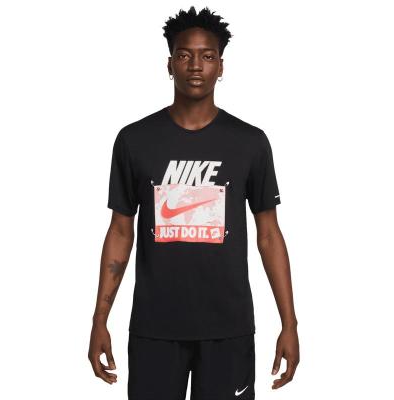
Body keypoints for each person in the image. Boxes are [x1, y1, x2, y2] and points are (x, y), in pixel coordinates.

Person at [88, 6, 299, 398]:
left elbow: (269, 235)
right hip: (154, 328)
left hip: (228, 330)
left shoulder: (249, 142)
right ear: (169, 65)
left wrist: (290, 324)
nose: (196, 65)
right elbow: (120, 232)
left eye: (207, 55)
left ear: (221, 66)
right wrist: (99, 319)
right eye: (184, 55)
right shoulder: (135, 141)